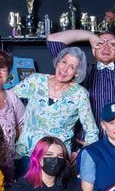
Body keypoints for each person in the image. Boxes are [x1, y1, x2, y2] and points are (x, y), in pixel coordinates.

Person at [13, 46, 99, 174]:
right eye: (64, 62)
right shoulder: (36, 80)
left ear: (77, 73)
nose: (64, 69)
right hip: (26, 154)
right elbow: (8, 99)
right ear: (57, 62)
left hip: (57, 160)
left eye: (71, 67)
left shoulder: (80, 94)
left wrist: (80, 154)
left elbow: (92, 132)